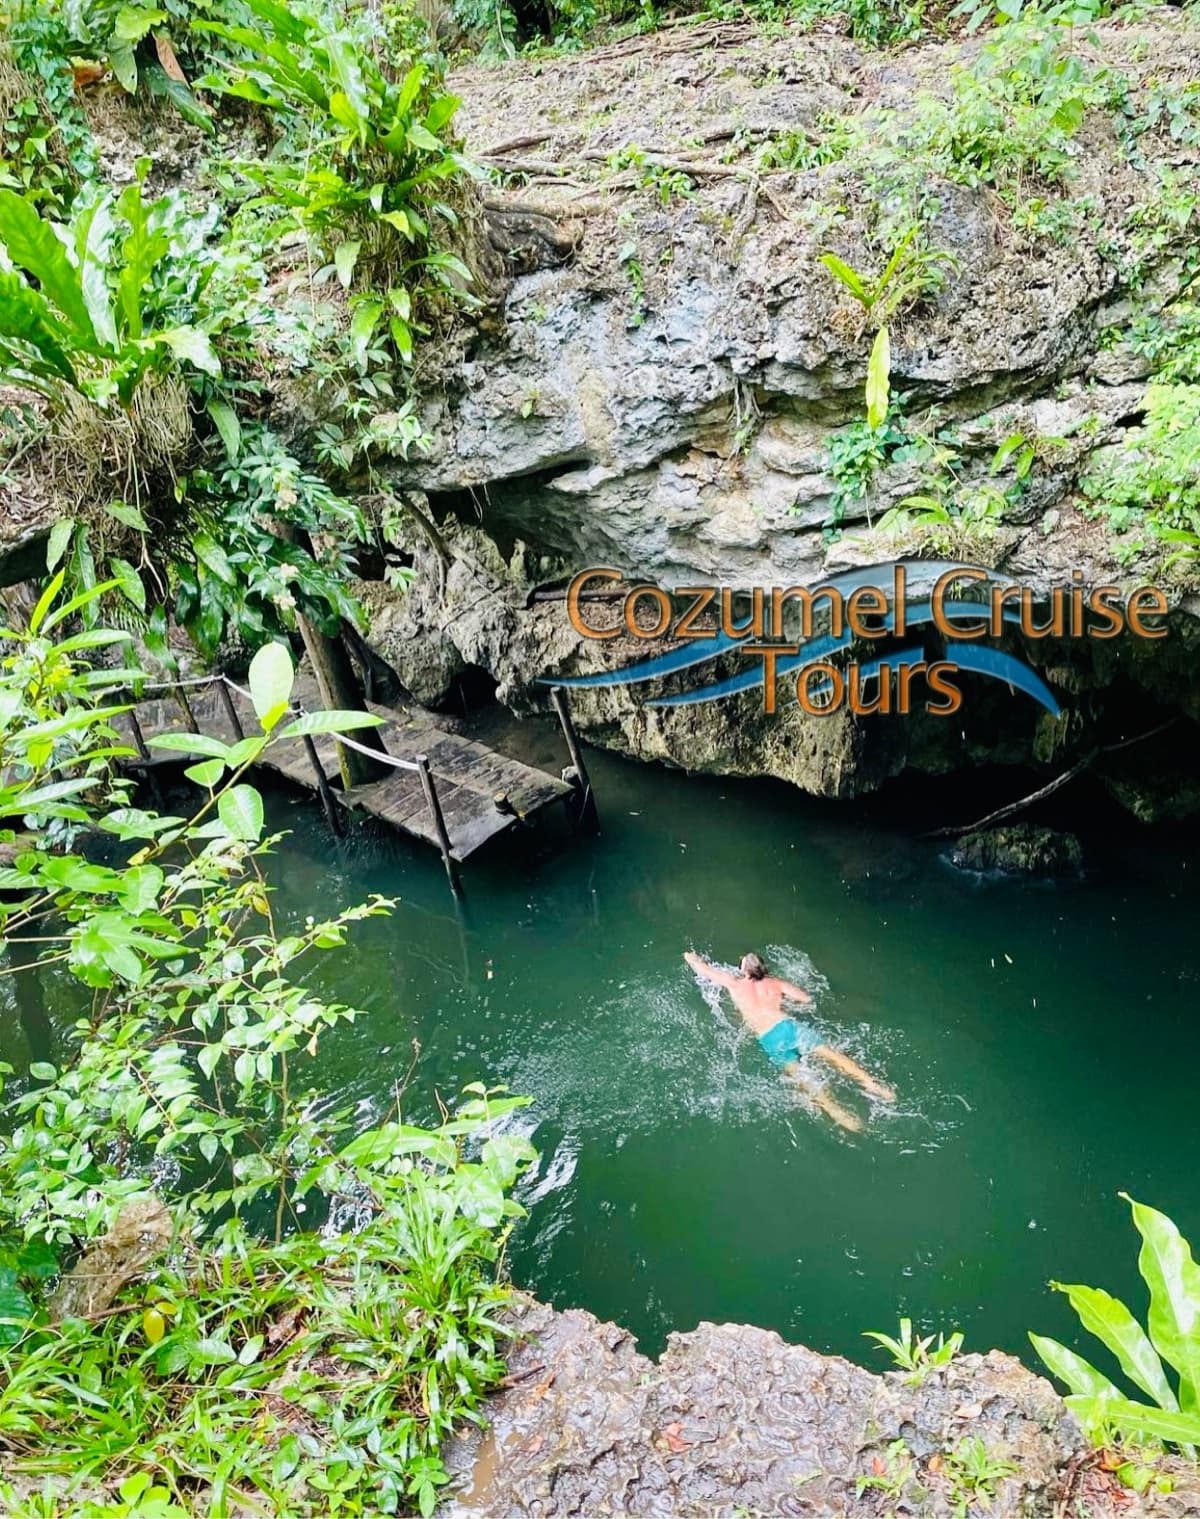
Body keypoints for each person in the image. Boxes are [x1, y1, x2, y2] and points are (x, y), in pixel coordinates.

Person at [683, 949, 895, 1132]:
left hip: (769, 1039)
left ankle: (840, 1115)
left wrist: (691, 957)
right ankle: (874, 1086)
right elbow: (806, 999)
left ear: (744, 970)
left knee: (805, 1080)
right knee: (834, 1057)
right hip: (789, 1027)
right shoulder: (776, 983)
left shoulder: (734, 984)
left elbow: (704, 970)